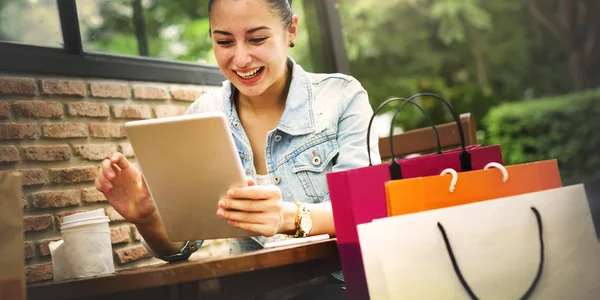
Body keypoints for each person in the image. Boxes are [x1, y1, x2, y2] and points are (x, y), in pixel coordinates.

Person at [95, 0, 380, 298]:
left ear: (291, 30)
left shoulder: (341, 97)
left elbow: (363, 209)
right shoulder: (203, 114)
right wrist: (147, 218)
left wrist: (287, 217)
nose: (241, 58)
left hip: (342, 285)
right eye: (224, 41)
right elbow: (181, 249)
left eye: (257, 39)